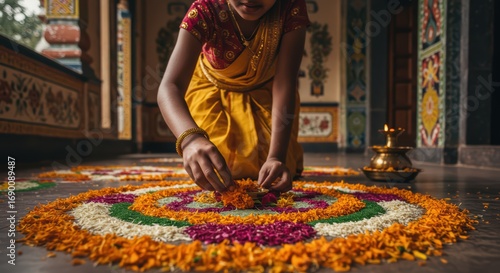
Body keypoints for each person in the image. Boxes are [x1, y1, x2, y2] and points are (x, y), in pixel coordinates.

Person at [157, 0, 310, 193]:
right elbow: (170, 86)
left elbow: (284, 84)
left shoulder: (290, 6)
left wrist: (276, 157)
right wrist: (190, 140)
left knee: (274, 169)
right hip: (211, 94)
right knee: (215, 163)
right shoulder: (204, 9)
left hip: (267, 95)